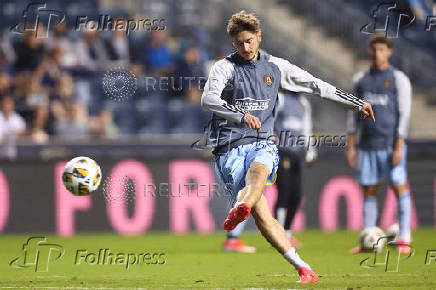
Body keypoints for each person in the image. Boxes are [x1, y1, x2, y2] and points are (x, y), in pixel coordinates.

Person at [201, 11, 374, 284]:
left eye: (249, 41)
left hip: (262, 143)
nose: (245, 48)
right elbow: (208, 99)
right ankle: (302, 266)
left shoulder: (276, 67)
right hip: (230, 147)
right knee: (262, 216)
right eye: (238, 44)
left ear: (259, 36)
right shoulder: (224, 68)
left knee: (258, 175)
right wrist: (241, 115)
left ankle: (242, 204)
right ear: (232, 43)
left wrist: (355, 103)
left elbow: (316, 85)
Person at [346, 35, 412, 254]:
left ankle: (403, 237)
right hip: (367, 145)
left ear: (389, 52)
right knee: (369, 190)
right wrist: (351, 145)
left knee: (398, 186)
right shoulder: (360, 80)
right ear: (369, 51)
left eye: (381, 49)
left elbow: (404, 114)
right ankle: (369, 237)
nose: (377, 53)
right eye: (374, 49)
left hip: (390, 144)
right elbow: (353, 114)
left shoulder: (398, 79)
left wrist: (399, 145)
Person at [274, 90, 317, 247]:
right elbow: (267, 119)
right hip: (280, 152)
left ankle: (287, 232)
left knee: (296, 195)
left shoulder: (303, 103)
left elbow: (306, 129)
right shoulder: (281, 98)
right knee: (284, 192)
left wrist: (310, 151)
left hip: (296, 153)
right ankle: (278, 234)